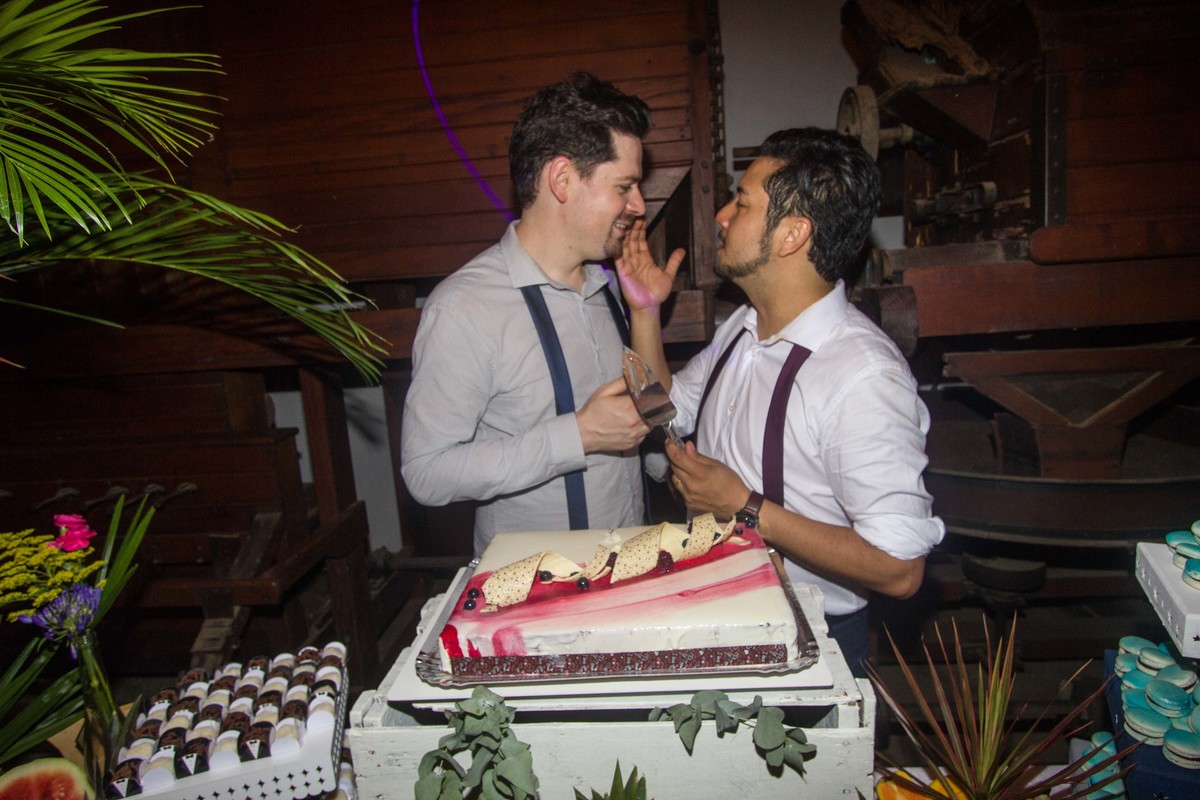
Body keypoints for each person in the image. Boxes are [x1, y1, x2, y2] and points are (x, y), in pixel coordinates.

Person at [616, 127, 945, 676]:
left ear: (793, 234)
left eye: (742, 202)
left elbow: (900, 568)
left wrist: (744, 507)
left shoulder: (861, 375)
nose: (722, 216)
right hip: (718, 609)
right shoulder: (743, 327)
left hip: (811, 639)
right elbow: (664, 407)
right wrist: (645, 311)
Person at [401, 71, 652, 556]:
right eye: (625, 186)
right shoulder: (464, 308)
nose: (638, 205)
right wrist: (576, 435)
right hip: (531, 592)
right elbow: (426, 473)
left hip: (629, 570)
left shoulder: (605, 287)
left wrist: (662, 460)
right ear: (562, 179)